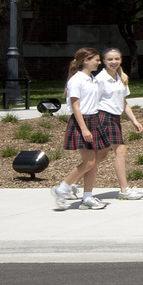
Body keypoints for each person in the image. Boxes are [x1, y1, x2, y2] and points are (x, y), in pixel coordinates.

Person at [53, 48, 107, 211]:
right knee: (90, 161)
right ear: (85, 60)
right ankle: (62, 188)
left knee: (94, 162)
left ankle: (87, 197)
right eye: (96, 60)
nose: (99, 62)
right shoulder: (76, 80)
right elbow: (75, 106)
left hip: (94, 119)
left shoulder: (92, 79)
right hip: (82, 121)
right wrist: (84, 129)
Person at [95, 48, 143, 201]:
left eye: (116, 59)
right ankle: (124, 190)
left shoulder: (121, 77)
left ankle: (71, 183)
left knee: (100, 156)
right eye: (110, 59)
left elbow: (123, 102)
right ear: (103, 61)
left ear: (121, 60)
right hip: (103, 117)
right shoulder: (101, 79)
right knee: (121, 151)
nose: (113, 62)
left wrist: (134, 120)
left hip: (115, 118)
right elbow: (92, 100)